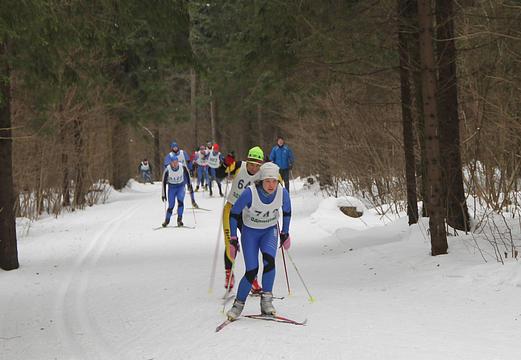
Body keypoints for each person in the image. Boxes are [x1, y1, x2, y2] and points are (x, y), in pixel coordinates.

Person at [226, 162, 292, 320]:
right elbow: (234, 214)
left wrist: (285, 232)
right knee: (252, 270)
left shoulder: (282, 193)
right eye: (267, 181)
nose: (271, 185)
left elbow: (287, 212)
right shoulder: (250, 193)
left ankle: (267, 302)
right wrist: (233, 238)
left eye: (274, 181)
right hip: (250, 233)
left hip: (269, 231)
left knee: (270, 262)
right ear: (261, 181)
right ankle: (238, 305)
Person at [222, 146, 265, 293]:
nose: (254, 168)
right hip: (231, 210)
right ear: (247, 161)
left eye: (257, 165)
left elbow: (274, 182)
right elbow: (221, 172)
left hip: (247, 214)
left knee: (250, 246)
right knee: (231, 244)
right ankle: (229, 274)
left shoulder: (262, 174)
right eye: (251, 164)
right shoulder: (239, 166)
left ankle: (252, 278)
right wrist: (225, 163)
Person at [161, 155, 195, 227]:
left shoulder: (182, 167)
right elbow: (163, 182)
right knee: (171, 205)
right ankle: (167, 220)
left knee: (180, 202)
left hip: (180, 186)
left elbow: (188, 175)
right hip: (172, 188)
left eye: (176, 162)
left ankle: (179, 220)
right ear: (171, 163)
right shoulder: (167, 169)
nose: (175, 164)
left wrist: (189, 185)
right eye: (173, 162)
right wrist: (163, 194)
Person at [163, 141, 198, 208]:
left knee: (190, 186)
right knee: (180, 190)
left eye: (176, 147)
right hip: (176, 175)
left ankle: (193, 201)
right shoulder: (170, 155)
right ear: (171, 148)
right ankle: (179, 205)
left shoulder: (183, 153)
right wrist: (168, 175)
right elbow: (166, 166)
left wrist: (191, 168)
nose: (175, 149)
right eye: (174, 147)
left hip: (184, 173)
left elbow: (188, 161)